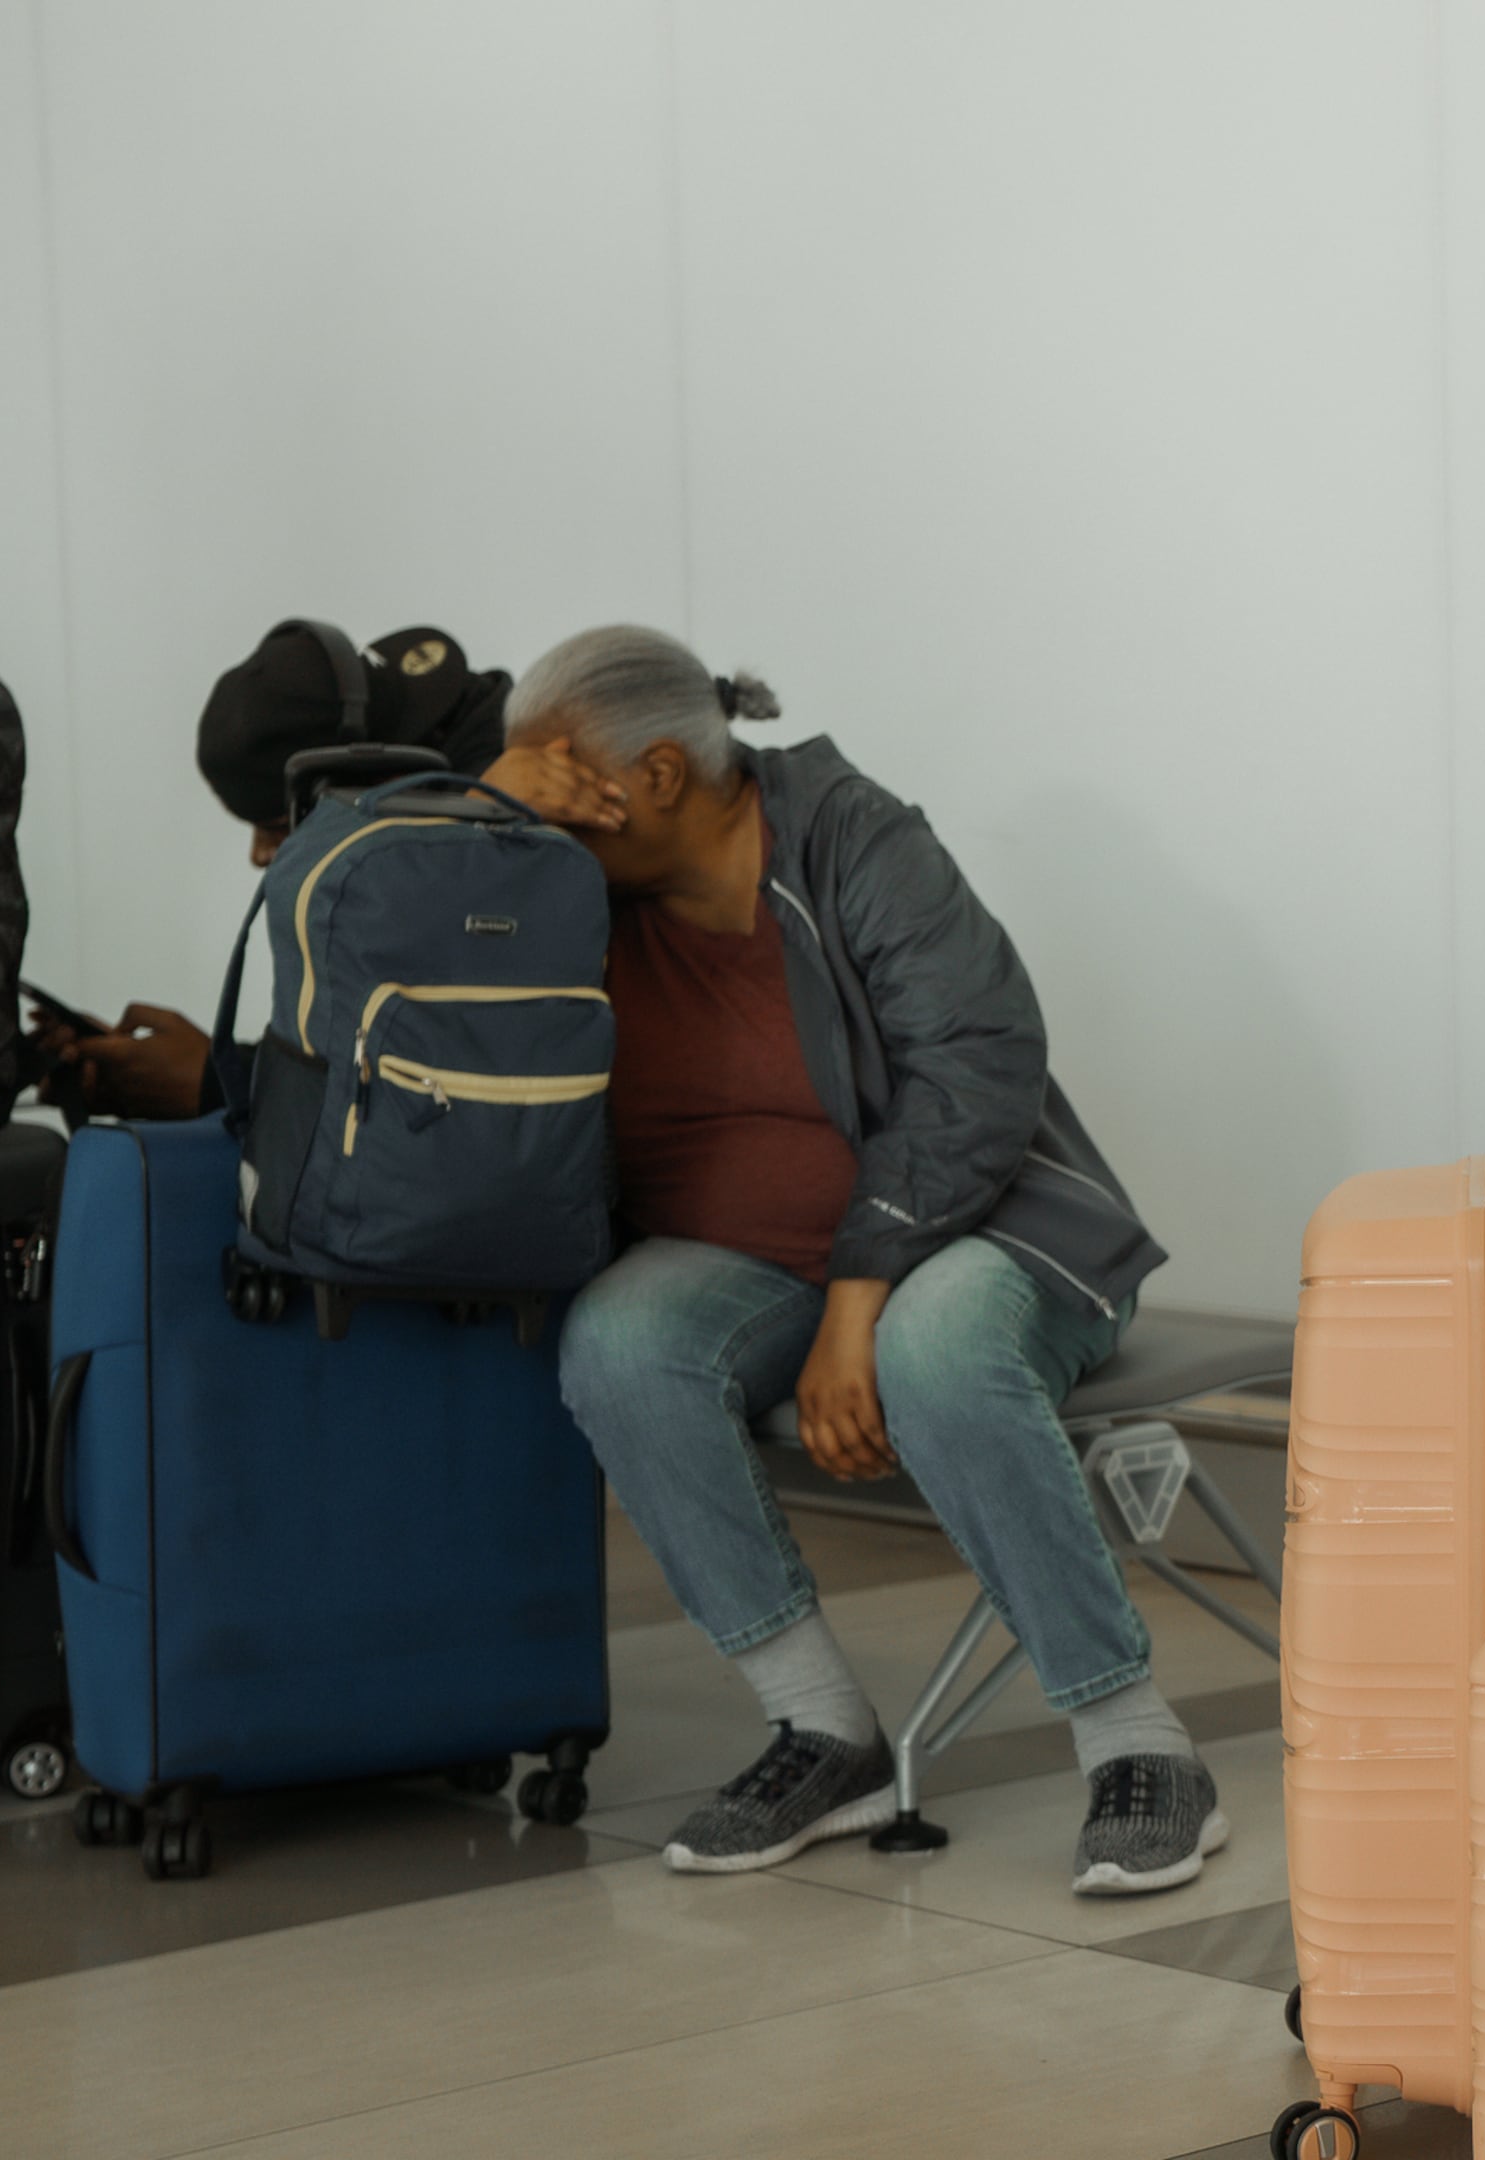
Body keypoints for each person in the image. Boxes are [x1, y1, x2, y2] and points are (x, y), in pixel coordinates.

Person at [477, 625, 1211, 1893]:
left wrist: (859, 1301)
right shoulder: (568, 889)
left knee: (936, 1349)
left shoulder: (849, 836)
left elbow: (979, 1068)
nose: (549, 828)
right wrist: (486, 808)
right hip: (753, 1263)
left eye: (563, 790)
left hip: (985, 1231)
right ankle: (825, 1731)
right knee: (620, 1343)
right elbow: (425, 914)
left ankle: (1138, 1744)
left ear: (653, 778)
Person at [31, 619, 510, 1118]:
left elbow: (449, 1096)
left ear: (369, 773)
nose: (259, 854)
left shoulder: (506, 845)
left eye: (279, 823)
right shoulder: (435, 808)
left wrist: (227, 1081)